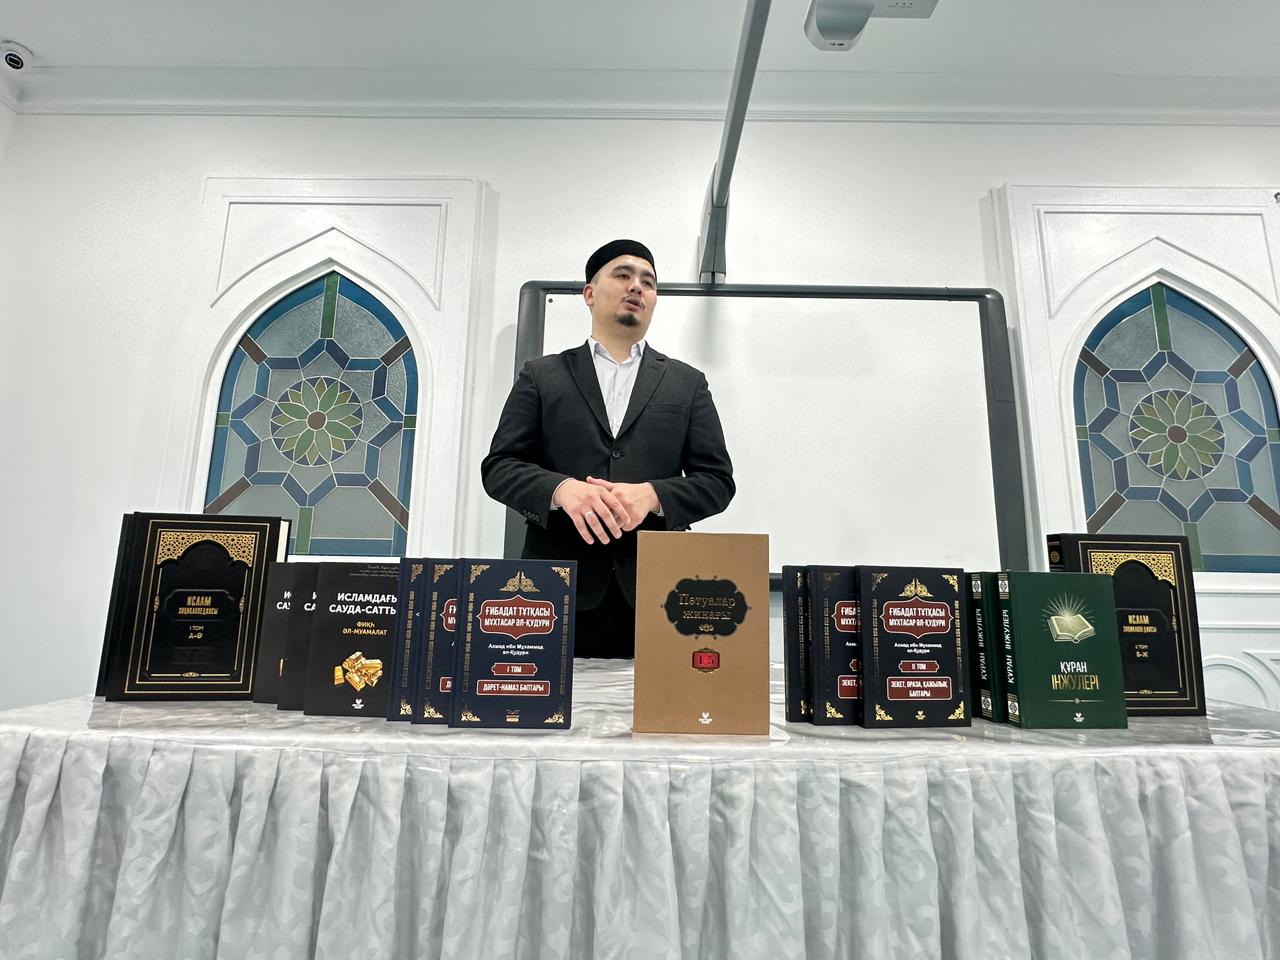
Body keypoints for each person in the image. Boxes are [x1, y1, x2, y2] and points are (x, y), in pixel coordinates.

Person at [481, 239, 735, 657]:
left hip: (661, 595)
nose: (637, 286)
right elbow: (500, 467)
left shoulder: (687, 384)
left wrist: (652, 495)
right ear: (590, 293)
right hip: (554, 591)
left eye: (648, 282)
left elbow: (717, 482)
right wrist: (562, 490)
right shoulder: (542, 376)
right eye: (623, 275)